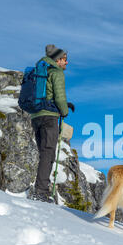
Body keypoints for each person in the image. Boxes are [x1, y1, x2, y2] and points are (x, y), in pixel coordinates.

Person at [30, 44, 74, 203]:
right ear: (58, 59)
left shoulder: (39, 71)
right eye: (65, 60)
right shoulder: (57, 73)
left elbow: (47, 94)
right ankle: (40, 192)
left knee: (44, 152)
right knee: (48, 153)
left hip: (36, 116)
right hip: (49, 117)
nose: (67, 63)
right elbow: (59, 97)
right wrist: (64, 110)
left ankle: (40, 189)